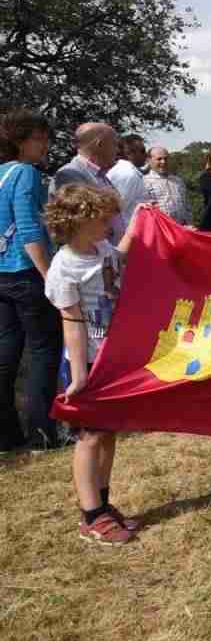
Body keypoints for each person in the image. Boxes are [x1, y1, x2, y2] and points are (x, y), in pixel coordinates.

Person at [44, 185, 147, 545]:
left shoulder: (101, 248)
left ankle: (104, 504)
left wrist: (137, 227)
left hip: (110, 357)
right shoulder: (64, 267)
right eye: (104, 220)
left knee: (107, 433)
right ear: (80, 222)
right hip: (85, 363)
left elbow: (118, 258)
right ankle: (91, 515)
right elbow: (71, 322)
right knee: (88, 438)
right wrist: (79, 375)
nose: (110, 224)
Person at [0, 110, 62, 452]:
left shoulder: (1, 174)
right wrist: (47, 275)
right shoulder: (25, 173)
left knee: (6, 355)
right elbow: (28, 228)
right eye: (41, 138)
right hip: (26, 273)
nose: (46, 145)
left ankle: (6, 434)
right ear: (21, 141)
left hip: (1, 275)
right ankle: (42, 433)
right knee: (43, 352)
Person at [53, 123, 126, 245]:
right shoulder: (70, 175)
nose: (117, 150)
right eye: (114, 144)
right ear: (100, 144)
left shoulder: (99, 174)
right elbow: (81, 226)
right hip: (91, 260)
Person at [142, 146, 192, 225]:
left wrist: (189, 224)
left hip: (182, 230)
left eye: (166, 158)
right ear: (149, 161)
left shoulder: (178, 181)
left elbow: (187, 206)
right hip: (161, 231)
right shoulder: (144, 182)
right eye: (159, 159)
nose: (163, 162)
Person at [106, 133, 149, 224]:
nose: (146, 154)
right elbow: (119, 208)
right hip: (127, 230)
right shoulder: (128, 174)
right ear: (129, 153)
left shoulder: (125, 170)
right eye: (142, 150)